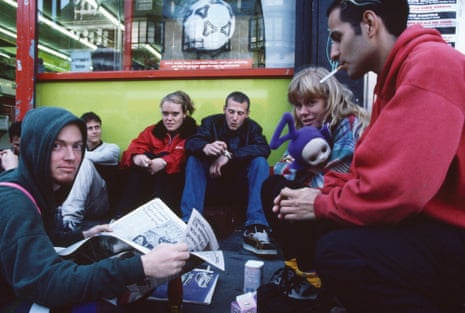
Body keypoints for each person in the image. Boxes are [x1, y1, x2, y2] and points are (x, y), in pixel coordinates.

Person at [271, 1, 465, 312]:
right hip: (430, 226)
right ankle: (318, 285)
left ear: (370, 24)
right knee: (310, 218)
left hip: (452, 234)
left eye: (337, 37)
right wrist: (320, 199)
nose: (333, 53)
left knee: (340, 252)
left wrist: (321, 203)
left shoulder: (431, 65)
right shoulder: (393, 80)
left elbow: (401, 190)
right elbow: (365, 166)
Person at [0, 106, 189, 311]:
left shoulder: (36, 187)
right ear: (34, 147)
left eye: (77, 146)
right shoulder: (15, 202)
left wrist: (84, 234)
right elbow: (46, 283)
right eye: (56, 146)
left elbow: (44, 237)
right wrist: (142, 266)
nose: (71, 156)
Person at [259, 66, 369, 305]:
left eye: (311, 103)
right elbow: (281, 167)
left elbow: (337, 177)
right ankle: (300, 266)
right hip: (319, 201)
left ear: (329, 99)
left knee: (290, 193)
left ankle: (312, 272)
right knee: (272, 186)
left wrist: (306, 168)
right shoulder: (307, 131)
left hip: (345, 209)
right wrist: (305, 166)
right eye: (298, 105)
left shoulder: (348, 126)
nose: (303, 112)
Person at [180, 91, 277, 256]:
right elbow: (191, 143)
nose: (234, 118)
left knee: (260, 162)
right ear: (224, 109)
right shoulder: (210, 123)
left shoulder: (253, 128)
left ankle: (256, 227)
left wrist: (229, 155)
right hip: (212, 183)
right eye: (231, 111)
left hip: (239, 187)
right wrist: (206, 147)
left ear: (247, 114)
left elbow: (263, 148)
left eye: (240, 113)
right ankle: (189, 223)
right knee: (193, 160)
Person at [118, 90, 197, 214]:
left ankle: (160, 217)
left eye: (175, 114)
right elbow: (133, 148)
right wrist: (137, 157)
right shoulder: (152, 131)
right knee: (140, 163)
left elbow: (185, 156)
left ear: (185, 114)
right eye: (165, 114)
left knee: (163, 162)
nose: (169, 119)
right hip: (150, 184)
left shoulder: (194, 133)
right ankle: (122, 216)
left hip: (177, 185)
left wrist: (164, 162)